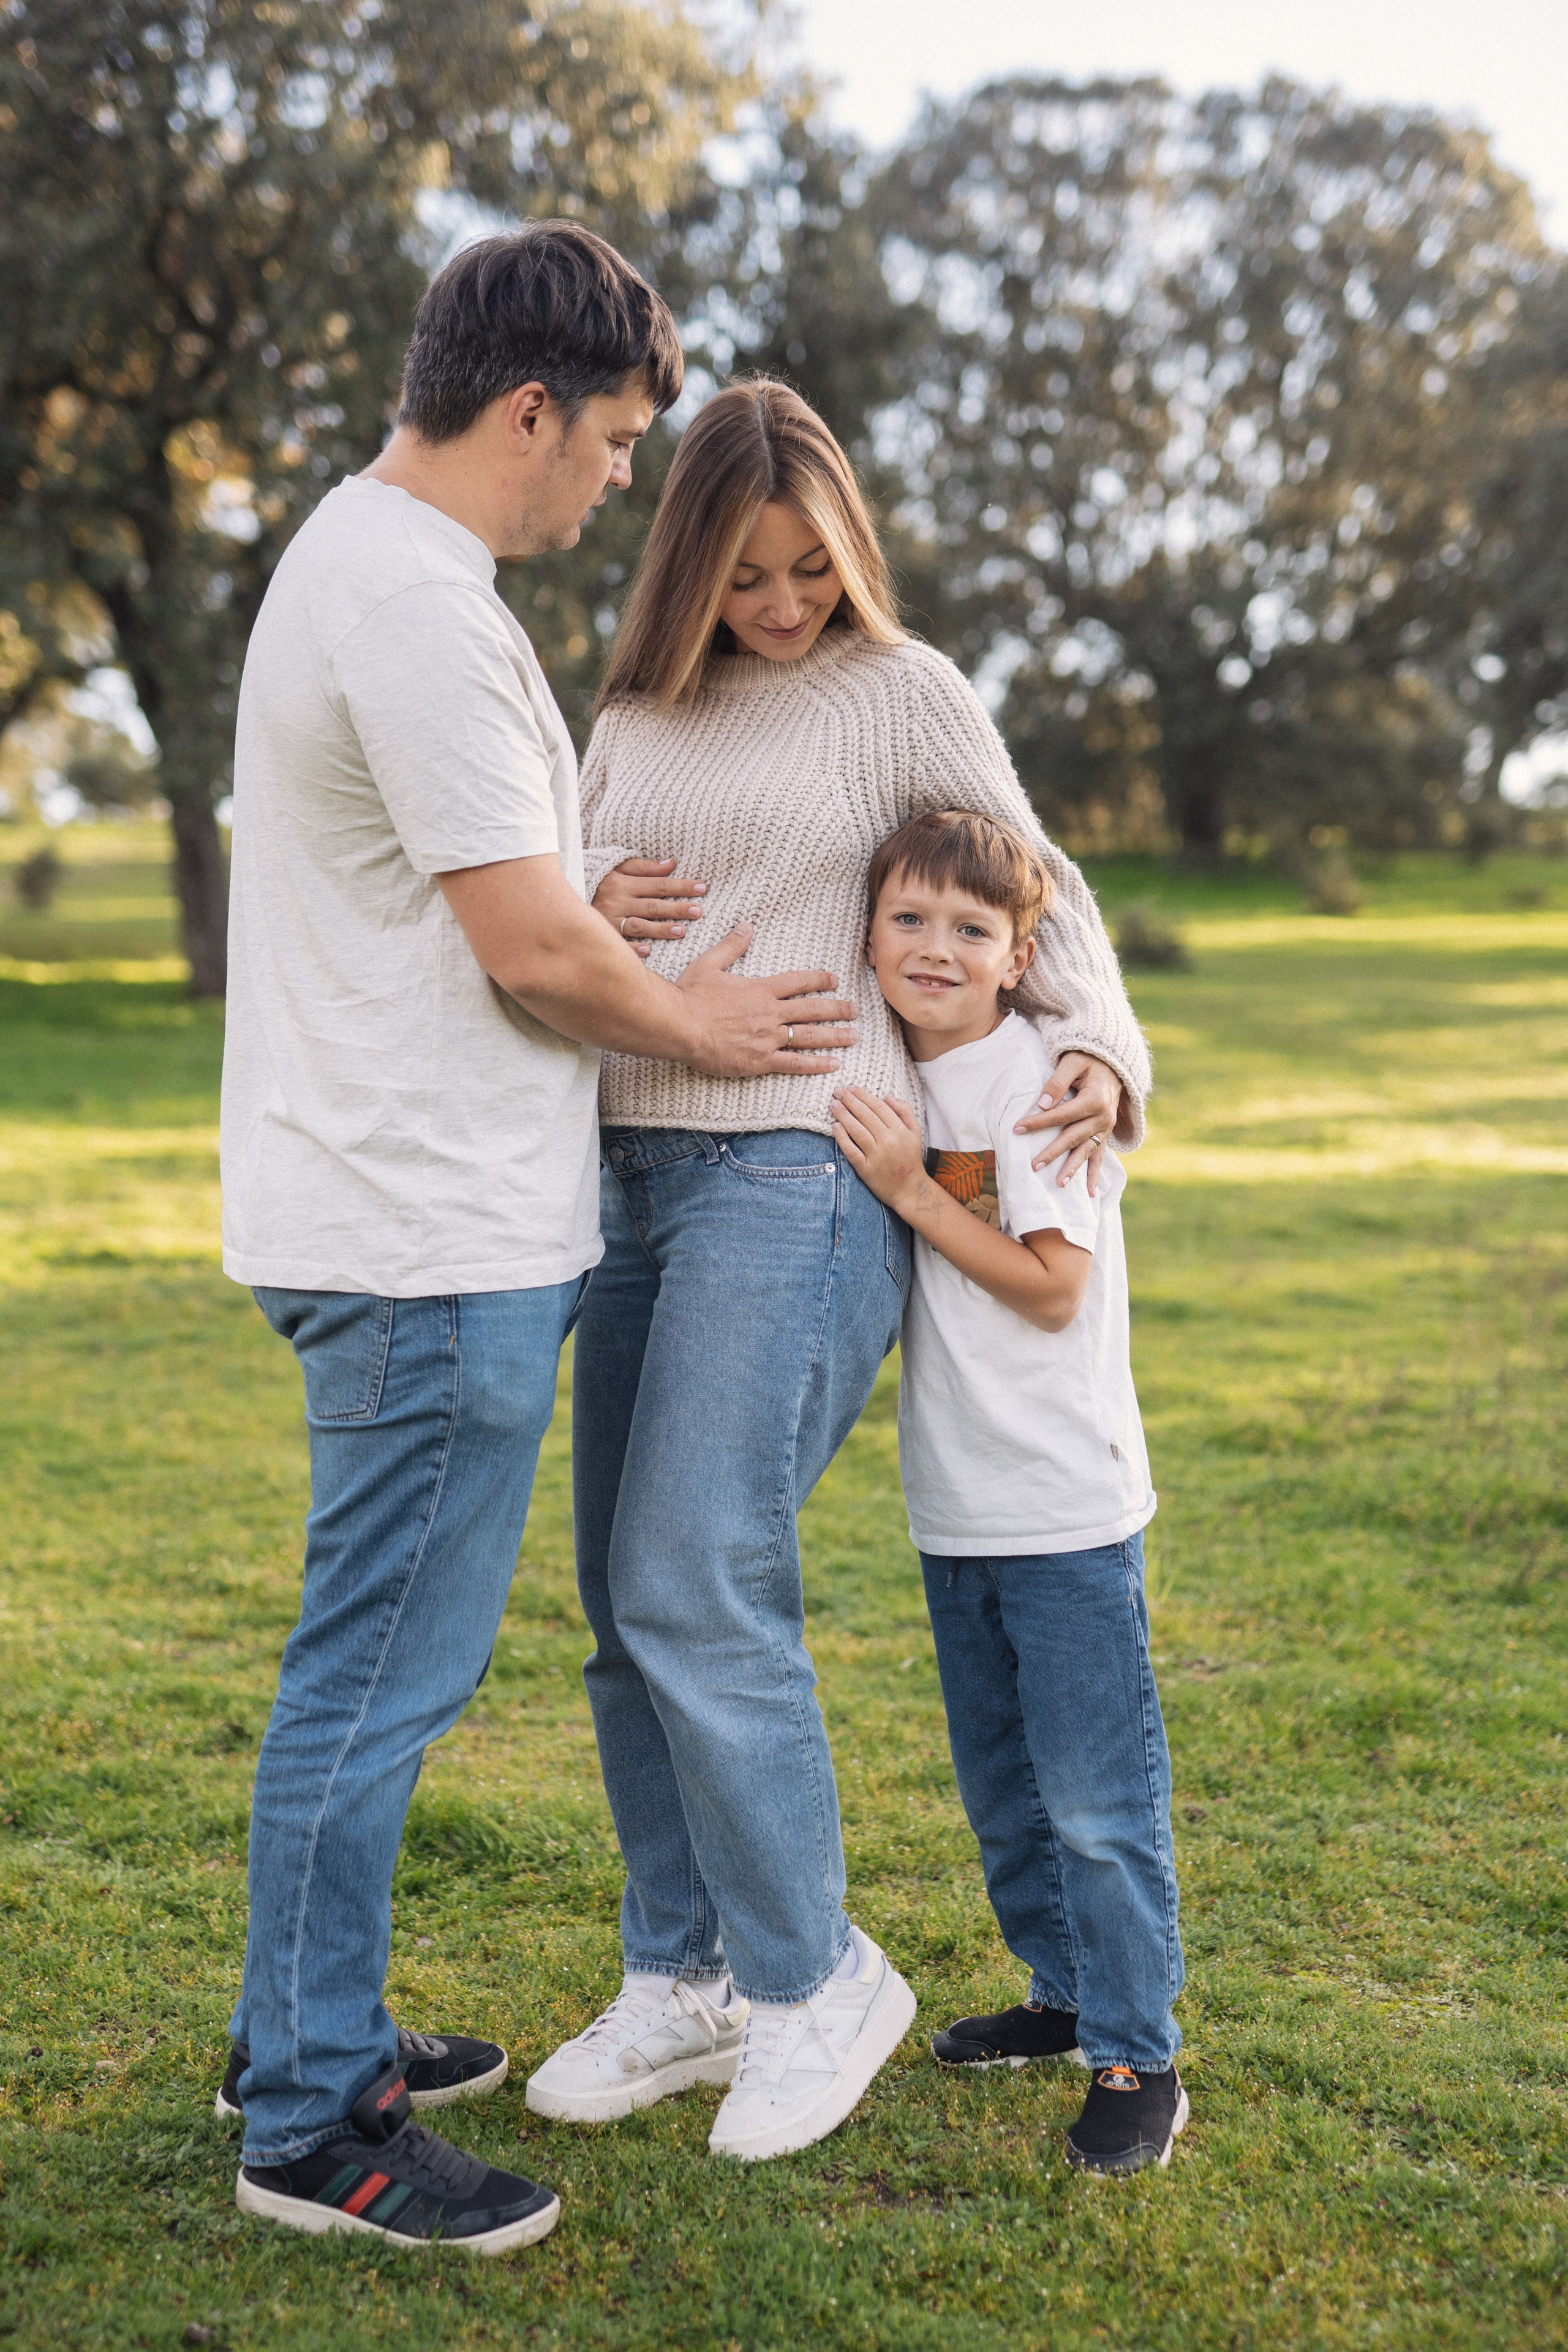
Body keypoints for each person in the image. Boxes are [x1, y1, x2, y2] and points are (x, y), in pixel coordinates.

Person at [217, 231, 859, 2253]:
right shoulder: (411, 598)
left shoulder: (375, 569)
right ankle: (313, 2123)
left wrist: (597, 886)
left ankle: (305, 2027)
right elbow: (517, 952)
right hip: (423, 1247)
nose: (613, 484)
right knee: (376, 1688)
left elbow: (482, 886)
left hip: (414, 1221)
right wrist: (699, 1014)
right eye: (611, 443)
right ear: (527, 413)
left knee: (372, 1664)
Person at [522, 381, 1153, 2164]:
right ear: (687, 569)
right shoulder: (635, 713)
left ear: (849, 554)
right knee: (619, 1608)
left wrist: (1103, 1043)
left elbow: (1048, 889)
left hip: (798, 1168)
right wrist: (594, 898)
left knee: (691, 1566)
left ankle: (816, 1981)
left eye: (810, 570)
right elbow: (551, 900)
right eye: (744, 578)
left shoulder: (903, 694)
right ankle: (688, 1970)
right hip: (630, 1176)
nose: (782, 606)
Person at [830, 809, 1185, 2179]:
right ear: (868, 931)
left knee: (1095, 1798)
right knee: (1005, 1788)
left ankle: (1134, 2054)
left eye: (970, 930)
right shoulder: (898, 1066)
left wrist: (914, 1192)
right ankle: (1061, 1994)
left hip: (1064, 1503)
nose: (934, 948)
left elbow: (1050, 1288)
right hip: (956, 1497)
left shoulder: (1036, 1079)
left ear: (1019, 951)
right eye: (908, 919)